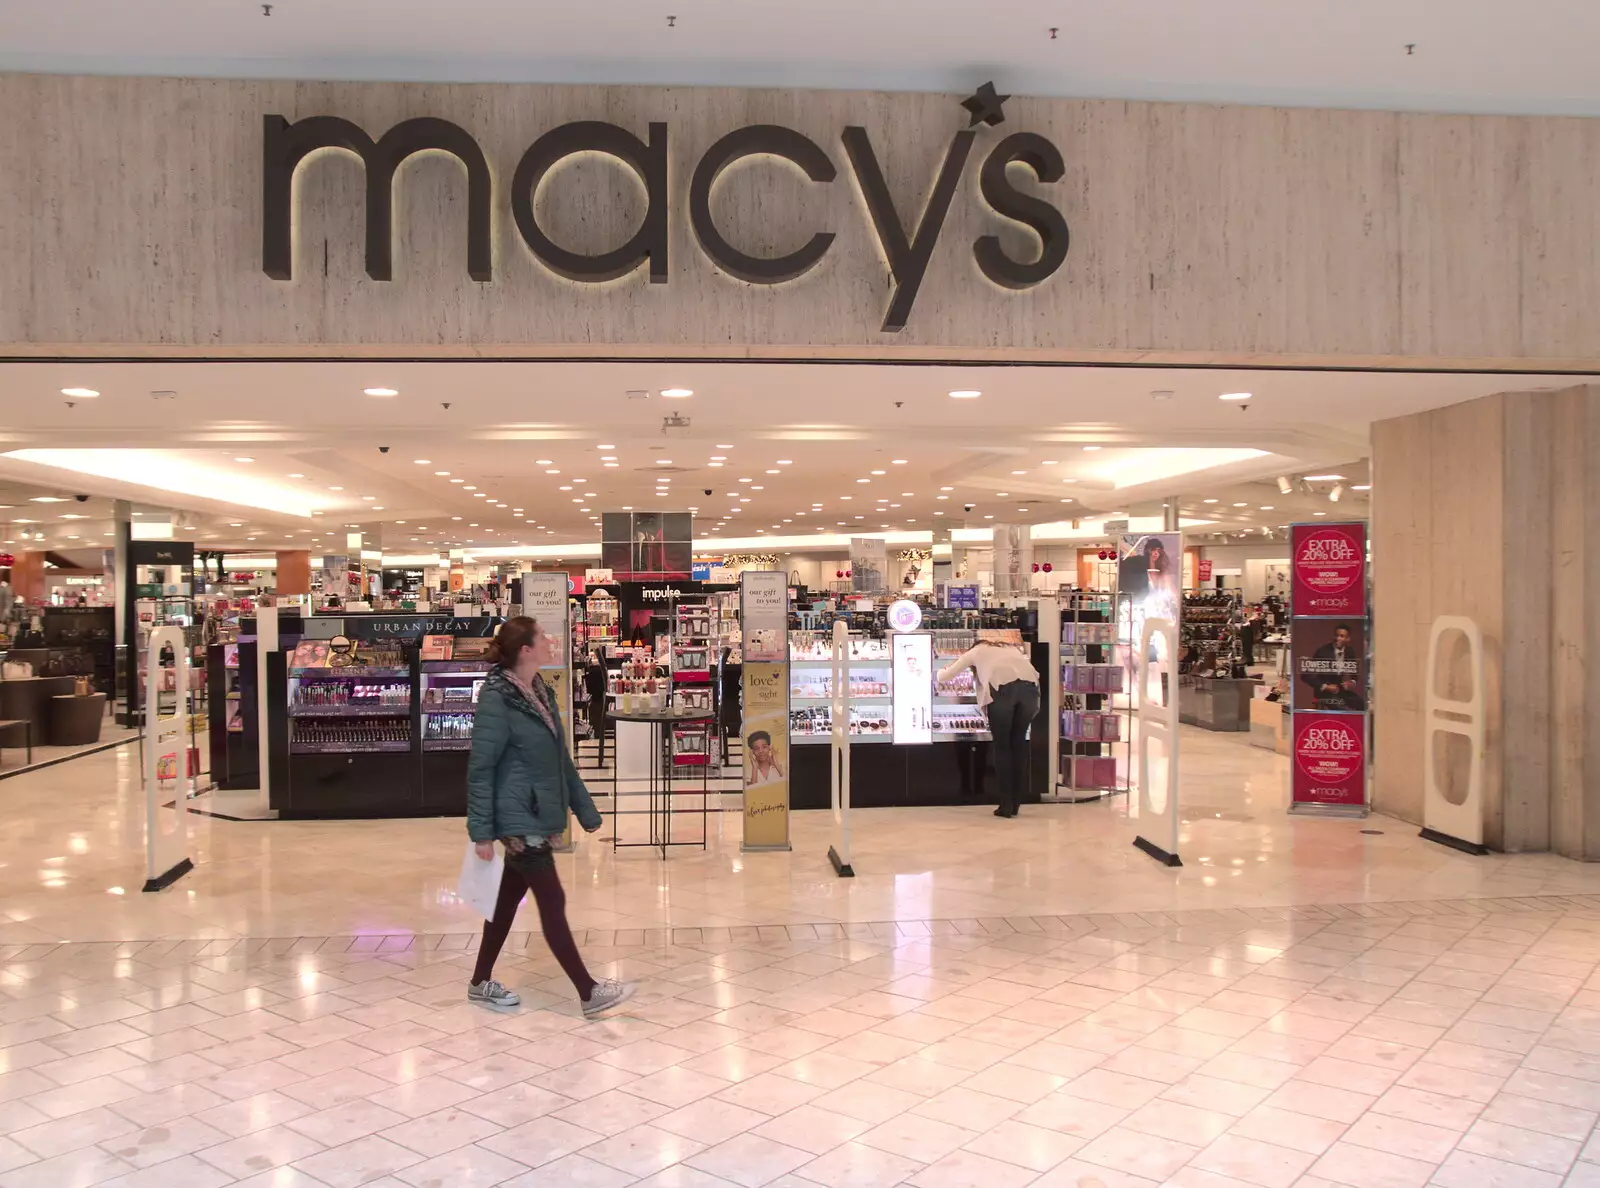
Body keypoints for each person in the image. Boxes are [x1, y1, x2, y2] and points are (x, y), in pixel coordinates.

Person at [465, 616, 634, 1018]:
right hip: (519, 816)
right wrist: (482, 831)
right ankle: (589, 991)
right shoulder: (497, 697)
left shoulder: (538, 688)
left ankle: (479, 983)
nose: (550, 642)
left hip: (538, 809)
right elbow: (481, 766)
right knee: (552, 900)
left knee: (507, 902)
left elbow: (559, 758)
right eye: (542, 637)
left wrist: (584, 808)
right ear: (525, 649)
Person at [938, 639, 1040, 818]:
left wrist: (942, 669)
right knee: (1018, 744)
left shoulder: (976, 651)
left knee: (1002, 747)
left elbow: (944, 676)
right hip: (1031, 691)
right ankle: (1016, 802)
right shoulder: (1010, 648)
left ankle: (1005, 805)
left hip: (1003, 690)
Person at [1302, 623, 1366, 710]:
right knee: (1342, 710)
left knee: (1362, 705)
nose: (1338, 638)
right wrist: (1326, 686)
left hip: (1340, 690)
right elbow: (1305, 675)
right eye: (1336, 635)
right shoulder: (1323, 651)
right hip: (1324, 692)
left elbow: (1354, 671)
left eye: (1342, 636)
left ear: (1348, 639)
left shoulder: (1350, 651)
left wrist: (1352, 682)